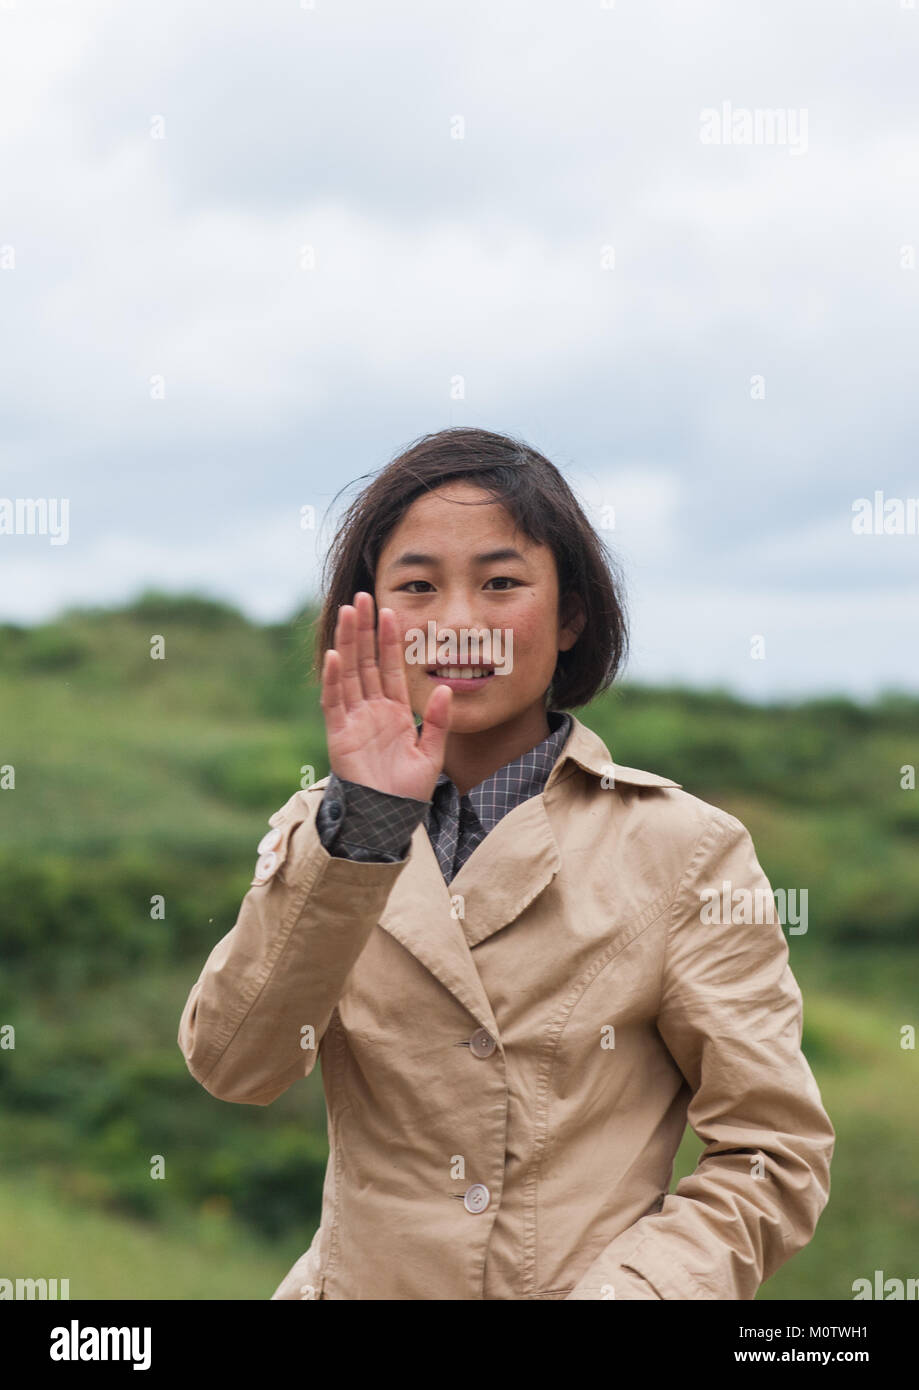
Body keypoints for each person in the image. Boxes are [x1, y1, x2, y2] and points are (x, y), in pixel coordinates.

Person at [177, 426, 835, 1300]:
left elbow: (770, 1155)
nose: (457, 623)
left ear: (569, 615)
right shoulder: (325, 833)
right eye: (416, 586)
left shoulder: (684, 849)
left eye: (500, 583)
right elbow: (236, 1066)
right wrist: (363, 826)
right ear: (366, 616)